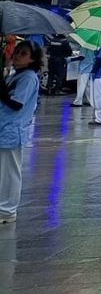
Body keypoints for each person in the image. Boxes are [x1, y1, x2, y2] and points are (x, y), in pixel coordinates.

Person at [0, 40, 42, 224]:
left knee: (10, 171)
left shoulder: (28, 77)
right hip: (5, 127)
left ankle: (8, 209)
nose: (17, 55)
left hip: (12, 129)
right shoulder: (16, 75)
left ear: (33, 59)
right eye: (17, 51)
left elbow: (17, 103)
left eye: (24, 53)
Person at [70, 41, 93, 107]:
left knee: (81, 86)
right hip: (90, 67)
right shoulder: (93, 46)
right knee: (88, 86)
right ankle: (90, 101)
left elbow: (82, 57)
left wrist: (71, 59)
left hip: (84, 68)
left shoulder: (84, 46)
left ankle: (78, 102)